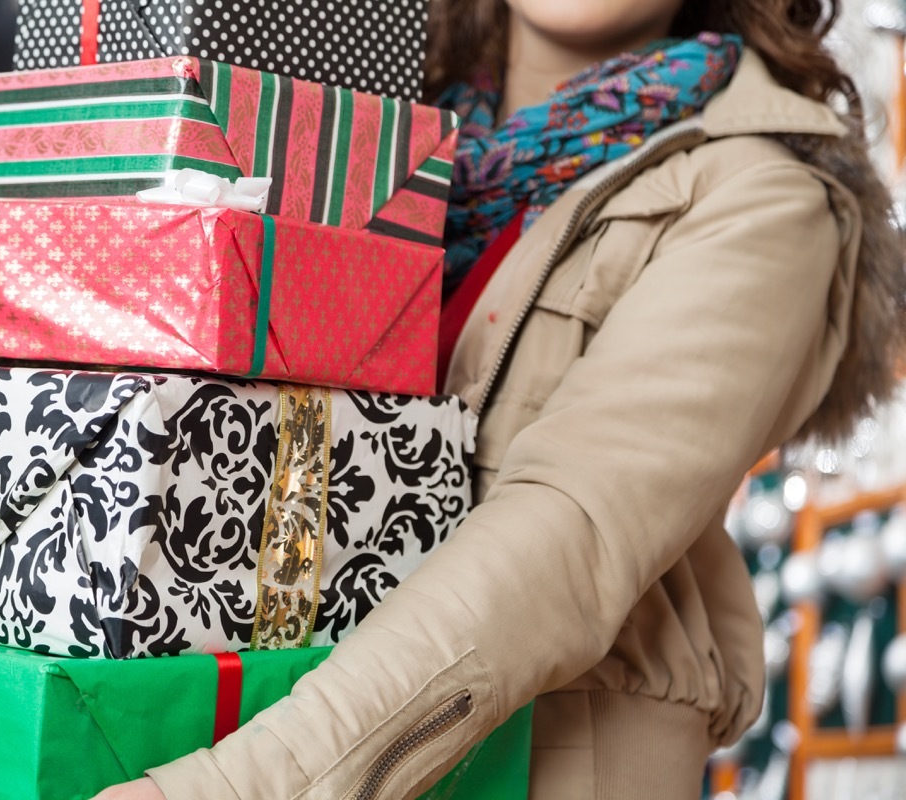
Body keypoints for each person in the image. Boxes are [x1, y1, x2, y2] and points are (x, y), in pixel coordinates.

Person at [100, 0, 906, 797]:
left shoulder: (766, 194)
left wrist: (246, 785)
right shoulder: (353, 129)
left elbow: (568, 529)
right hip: (240, 709)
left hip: (538, 760)